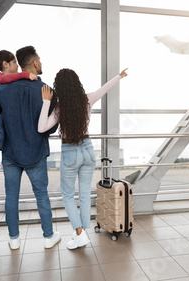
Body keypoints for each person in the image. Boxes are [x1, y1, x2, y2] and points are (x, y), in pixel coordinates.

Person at [38, 68, 128, 250]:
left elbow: (41, 128)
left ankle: (80, 234)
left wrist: (46, 102)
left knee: (68, 195)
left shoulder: (59, 107)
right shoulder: (87, 99)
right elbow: (104, 88)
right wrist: (119, 76)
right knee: (85, 194)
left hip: (70, 152)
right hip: (88, 150)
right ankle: (82, 233)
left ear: (59, 87)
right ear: (76, 83)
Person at [0, 46, 61, 250]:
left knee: (11, 197)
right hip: (36, 153)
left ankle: (14, 239)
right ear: (34, 63)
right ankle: (48, 236)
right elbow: (51, 129)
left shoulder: (1, 90)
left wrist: (4, 120)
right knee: (41, 195)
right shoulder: (47, 91)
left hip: (10, 153)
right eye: (40, 60)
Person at [0, 50, 38, 188]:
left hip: (4, 119)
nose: (17, 66)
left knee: (1, 130)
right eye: (14, 63)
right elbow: (7, 79)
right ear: (5, 64)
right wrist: (26, 75)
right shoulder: (0, 77)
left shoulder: (6, 81)